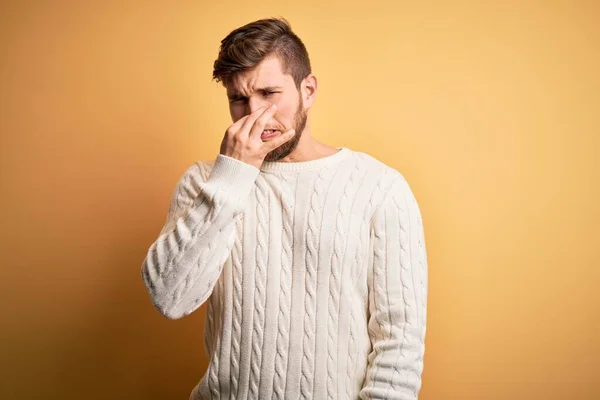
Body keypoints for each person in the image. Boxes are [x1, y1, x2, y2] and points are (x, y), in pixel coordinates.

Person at [141, 16, 428, 400]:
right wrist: (233, 175)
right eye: (239, 99)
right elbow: (170, 299)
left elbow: (400, 341)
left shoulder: (379, 187)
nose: (255, 114)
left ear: (307, 90)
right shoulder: (205, 183)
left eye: (268, 93)